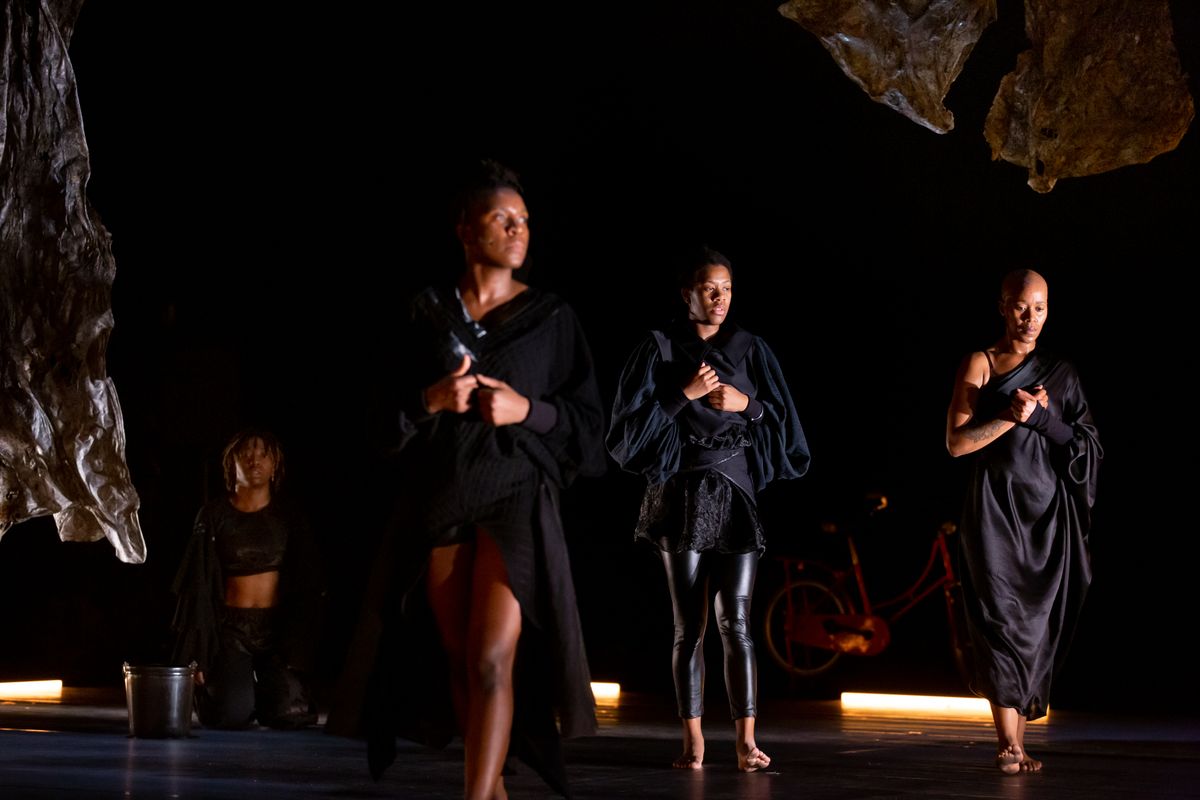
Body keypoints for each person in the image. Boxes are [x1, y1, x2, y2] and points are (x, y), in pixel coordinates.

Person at [327, 159, 605, 800]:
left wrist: (525, 409)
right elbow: (378, 424)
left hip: (515, 495)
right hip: (443, 495)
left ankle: (475, 797)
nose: (517, 230)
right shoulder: (426, 313)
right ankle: (492, 788)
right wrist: (429, 399)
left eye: (524, 220)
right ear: (464, 229)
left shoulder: (550, 319)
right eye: (501, 218)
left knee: (490, 658)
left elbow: (590, 429)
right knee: (458, 655)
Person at [606, 246, 810, 772]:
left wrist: (748, 405)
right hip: (680, 493)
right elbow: (627, 431)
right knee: (689, 628)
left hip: (735, 491)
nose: (719, 298)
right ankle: (693, 741)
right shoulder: (659, 347)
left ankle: (746, 743)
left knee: (736, 623)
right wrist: (683, 393)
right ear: (687, 293)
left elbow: (783, 423)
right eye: (708, 288)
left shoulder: (750, 349)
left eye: (727, 289)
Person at [944, 268, 1101, 774]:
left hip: (1045, 513)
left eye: (1039, 308)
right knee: (997, 619)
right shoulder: (982, 363)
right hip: (993, 509)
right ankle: (1007, 743)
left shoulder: (1062, 372)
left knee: (1032, 625)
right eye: (1020, 306)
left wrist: (1042, 419)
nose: (1029, 317)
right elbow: (956, 443)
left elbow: (1084, 445)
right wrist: (1011, 417)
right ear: (1002, 306)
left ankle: (1017, 740)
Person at [169, 427, 325, 730]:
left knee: (288, 714)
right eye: (247, 453)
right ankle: (226, 691)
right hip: (231, 630)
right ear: (232, 463)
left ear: (274, 465)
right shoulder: (213, 514)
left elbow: (309, 582)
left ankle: (266, 692)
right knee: (229, 716)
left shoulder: (288, 516)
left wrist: (299, 645)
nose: (255, 460)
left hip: (274, 629)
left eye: (263, 454)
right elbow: (196, 586)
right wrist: (196, 656)